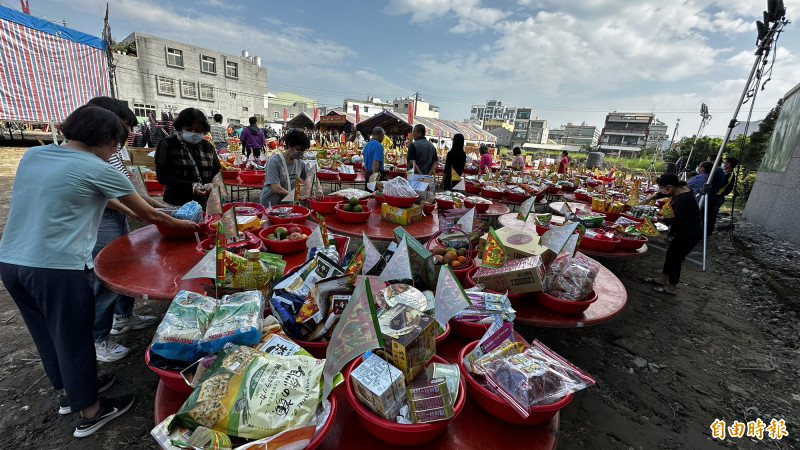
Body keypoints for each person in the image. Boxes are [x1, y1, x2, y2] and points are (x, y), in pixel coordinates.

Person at [0, 105, 198, 438]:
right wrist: (188, 224)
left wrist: (158, 211)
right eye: (117, 144)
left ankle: (70, 393)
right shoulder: (96, 166)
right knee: (74, 337)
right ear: (104, 139)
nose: (116, 152)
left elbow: (109, 200)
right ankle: (91, 411)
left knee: (46, 334)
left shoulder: (36, 156)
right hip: (57, 268)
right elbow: (152, 216)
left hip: (12, 263)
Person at [86, 97, 163, 363]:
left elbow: (125, 184)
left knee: (125, 267)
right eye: (122, 128)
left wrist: (153, 205)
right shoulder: (88, 154)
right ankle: (98, 339)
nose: (122, 138)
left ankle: (124, 316)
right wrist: (144, 212)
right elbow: (107, 195)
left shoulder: (112, 150)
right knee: (106, 276)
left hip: (117, 215)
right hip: (102, 219)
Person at [646, 174, 702, 294]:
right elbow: (665, 193)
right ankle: (663, 279)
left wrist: (659, 218)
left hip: (689, 232)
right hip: (684, 230)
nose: (662, 190)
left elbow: (677, 220)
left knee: (676, 258)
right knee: (670, 254)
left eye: (663, 187)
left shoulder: (684, 199)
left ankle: (671, 287)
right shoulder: (680, 189)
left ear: (670, 186)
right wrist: (651, 197)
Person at [155, 108, 221, 208]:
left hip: (204, 203)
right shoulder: (167, 144)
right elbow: (162, 176)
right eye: (189, 129)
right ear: (180, 128)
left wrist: (212, 184)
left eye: (199, 130)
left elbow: (217, 173)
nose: (194, 132)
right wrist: (190, 186)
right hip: (177, 203)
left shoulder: (208, 146)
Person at [259, 129, 310, 207]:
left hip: (288, 205)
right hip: (271, 204)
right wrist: (296, 197)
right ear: (289, 146)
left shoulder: (299, 163)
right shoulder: (274, 162)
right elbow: (276, 188)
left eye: (303, 151)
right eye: (298, 149)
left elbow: (311, 176)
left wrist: (318, 188)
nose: (300, 153)